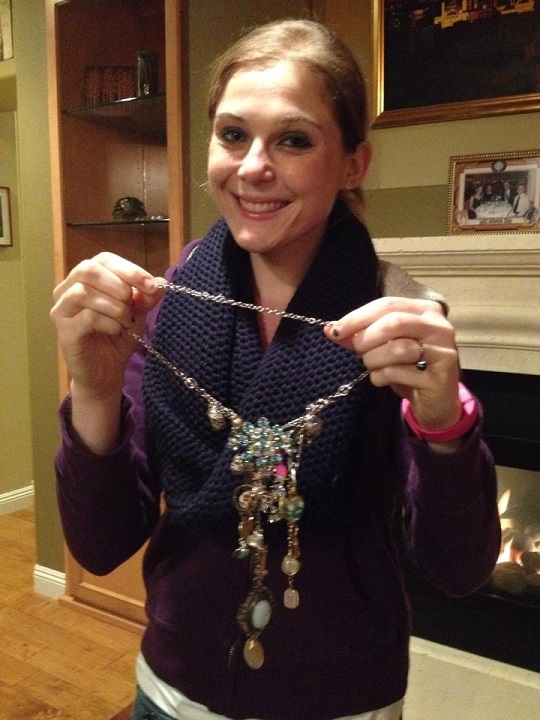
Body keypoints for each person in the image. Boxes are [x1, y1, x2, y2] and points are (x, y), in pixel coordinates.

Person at [50, 19, 500, 720]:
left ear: (353, 164)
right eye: (233, 135)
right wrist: (94, 389)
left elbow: (460, 568)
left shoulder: (400, 320)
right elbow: (99, 544)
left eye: (293, 140)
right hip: (172, 690)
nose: (253, 166)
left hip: (343, 698)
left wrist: (444, 424)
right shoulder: (162, 310)